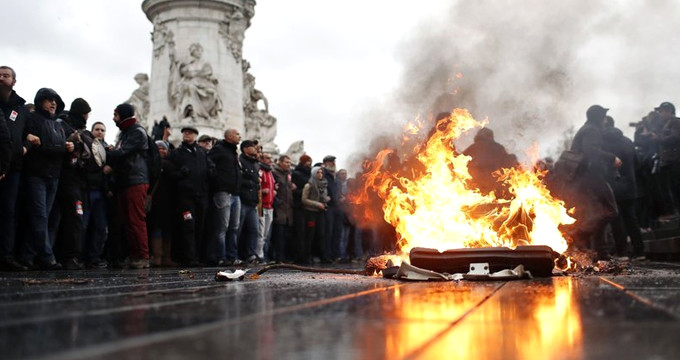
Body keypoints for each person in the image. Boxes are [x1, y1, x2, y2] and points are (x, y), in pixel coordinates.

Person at [21, 88, 70, 270]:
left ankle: (27, 255)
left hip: (53, 176)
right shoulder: (32, 119)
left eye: (55, 100)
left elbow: (59, 148)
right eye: (49, 100)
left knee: (42, 218)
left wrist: (70, 145)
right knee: (40, 217)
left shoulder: (58, 125)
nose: (53, 103)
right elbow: (23, 136)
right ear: (40, 101)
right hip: (36, 175)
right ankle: (47, 257)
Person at [569, 105, 621, 260]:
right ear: (599, 117)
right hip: (592, 176)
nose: (605, 121)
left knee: (600, 212)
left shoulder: (586, 129)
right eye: (604, 117)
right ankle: (578, 235)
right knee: (611, 211)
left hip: (586, 177)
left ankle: (601, 252)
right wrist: (612, 158)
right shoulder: (592, 130)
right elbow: (590, 151)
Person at [49, 98, 92, 269]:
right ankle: (69, 257)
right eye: (87, 114)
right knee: (73, 218)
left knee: (65, 219)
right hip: (68, 181)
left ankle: (63, 255)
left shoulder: (78, 129)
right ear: (82, 113)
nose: (88, 117)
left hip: (73, 181)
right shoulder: (64, 125)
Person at [106, 103, 150, 269]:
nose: (113, 118)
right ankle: (134, 255)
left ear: (123, 115)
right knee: (127, 220)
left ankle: (143, 256)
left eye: (116, 115)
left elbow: (123, 152)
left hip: (136, 180)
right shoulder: (125, 133)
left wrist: (105, 153)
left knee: (136, 220)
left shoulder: (137, 132)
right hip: (126, 181)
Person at [167, 126, 213, 266]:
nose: (187, 134)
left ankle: (197, 256)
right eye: (185, 132)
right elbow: (169, 172)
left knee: (200, 226)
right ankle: (188, 257)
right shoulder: (176, 153)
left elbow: (210, 169)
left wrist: (211, 172)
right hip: (185, 197)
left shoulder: (202, 153)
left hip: (201, 195)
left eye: (190, 132)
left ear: (195, 136)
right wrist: (181, 174)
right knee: (188, 225)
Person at [602, 117, 645, 260]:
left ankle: (622, 253)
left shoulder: (602, 143)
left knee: (617, 220)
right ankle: (640, 252)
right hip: (630, 186)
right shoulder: (627, 141)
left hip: (612, 186)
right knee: (631, 219)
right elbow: (637, 163)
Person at [0, 65, 29, 271]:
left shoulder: (20, 108)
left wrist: (25, 146)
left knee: (9, 212)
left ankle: (6, 255)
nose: (1, 78)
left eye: (6, 75)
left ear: (14, 81)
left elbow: (26, 131)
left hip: (14, 167)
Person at [207, 128, 242, 265]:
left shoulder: (233, 151)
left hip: (235, 194)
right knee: (222, 226)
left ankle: (232, 256)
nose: (240, 136)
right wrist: (218, 180)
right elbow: (209, 164)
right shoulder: (219, 149)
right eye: (237, 134)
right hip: (223, 192)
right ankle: (220, 257)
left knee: (234, 227)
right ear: (229, 136)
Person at [81, 121, 109, 268]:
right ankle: (81, 256)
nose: (99, 132)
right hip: (87, 190)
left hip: (101, 193)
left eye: (102, 130)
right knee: (83, 225)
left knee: (99, 226)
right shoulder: (87, 145)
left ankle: (94, 257)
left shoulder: (108, 150)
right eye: (97, 129)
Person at [462, 127, 518, 197]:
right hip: (495, 184)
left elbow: (459, 162)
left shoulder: (473, 147)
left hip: (475, 185)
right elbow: (507, 163)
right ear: (491, 137)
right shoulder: (498, 147)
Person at [653, 102, 680, 219]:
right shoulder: (663, 124)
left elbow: (675, 137)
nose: (660, 114)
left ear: (669, 111)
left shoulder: (676, 122)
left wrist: (658, 139)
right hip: (667, 161)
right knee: (670, 188)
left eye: (662, 111)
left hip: (675, 160)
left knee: (676, 187)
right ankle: (675, 212)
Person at [238, 139, 261, 263]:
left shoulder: (255, 164)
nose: (255, 148)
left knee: (254, 230)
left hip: (252, 202)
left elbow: (257, 182)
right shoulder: (240, 161)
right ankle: (235, 255)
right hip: (243, 200)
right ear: (245, 149)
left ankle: (251, 254)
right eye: (252, 146)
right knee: (238, 229)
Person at [301, 166, 329, 265]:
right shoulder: (309, 185)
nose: (320, 174)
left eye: (321, 172)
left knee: (321, 234)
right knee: (310, 235)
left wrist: (326, 200)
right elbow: (304, 200)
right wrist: (317, 204)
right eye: (318, 172)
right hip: (311, 213)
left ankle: (322, 256)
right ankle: (307, 257)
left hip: (320, 212)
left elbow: (323, 197)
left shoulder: (324, 184)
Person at [272, 155, 295, 263]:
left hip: (288, 210)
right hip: (280, 209)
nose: (288, 164)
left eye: (289, 163)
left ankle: (284, 258)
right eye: (286, 162)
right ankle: (278, 258)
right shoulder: (275, 173)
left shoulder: (288, 174)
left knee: (286, 236)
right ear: (280, 162)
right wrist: (278, 203)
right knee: (279, 236)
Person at [292, 154, 312, 260]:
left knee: (309, 232)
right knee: (300, 232)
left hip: (309, 209)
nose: (309, 163)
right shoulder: (297, 174)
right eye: (308, 161)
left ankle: (306, 255)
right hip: (299, 207)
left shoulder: (310, 175)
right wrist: (305, 193)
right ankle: (299, 256)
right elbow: (294, 190)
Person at [322, 155, 342, 262]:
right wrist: (325, 198)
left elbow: (338, 190)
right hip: (328, 207)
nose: (333, 163)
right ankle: (327, 255)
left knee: (337, 231)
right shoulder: (323, 174)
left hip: (337, 207)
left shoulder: (336, 176)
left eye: (333, 161)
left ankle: (336, 255)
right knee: (328, 232)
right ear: (325, 163)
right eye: (330, 161)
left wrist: (341, 197)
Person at [257, 152, 275, 262]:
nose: (270, 160)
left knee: (266, 233)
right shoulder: (261, 171)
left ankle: (263, 253)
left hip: (270, 205)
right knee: (261, 232)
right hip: (262, 205)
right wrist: (262, 191)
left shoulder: (270, 173)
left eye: (270, 158)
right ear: (262, 160)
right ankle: (259, 255)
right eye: (268, 158)